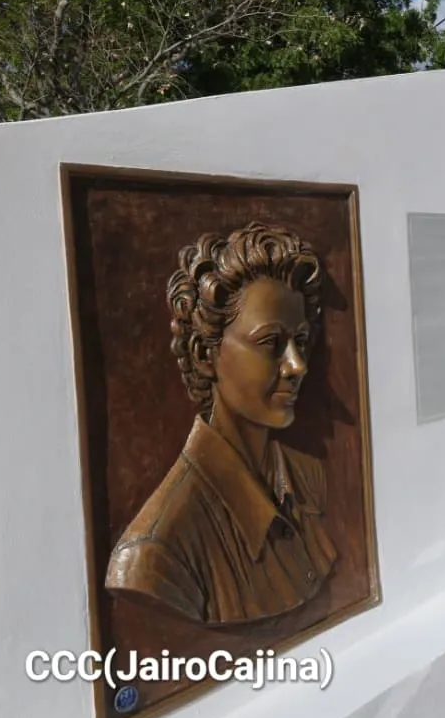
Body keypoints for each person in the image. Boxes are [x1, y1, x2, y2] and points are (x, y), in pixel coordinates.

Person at [105, 222, 338, 627]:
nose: (298, 365)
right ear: (203, 353)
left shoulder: (310, 479)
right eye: (270, 342)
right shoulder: (155, 558)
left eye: (300, 341)